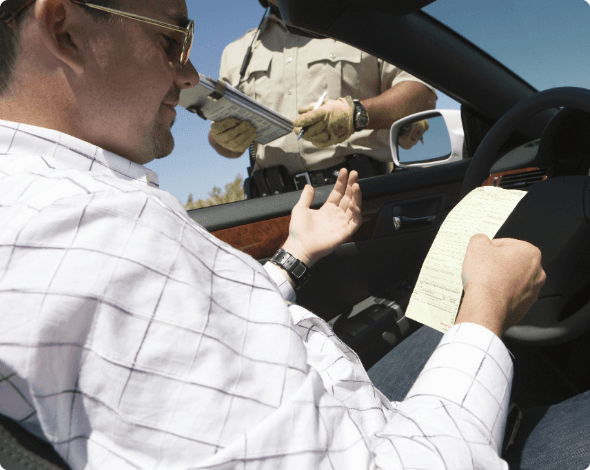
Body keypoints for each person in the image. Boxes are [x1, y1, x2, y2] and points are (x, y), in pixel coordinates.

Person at [0, 1, 587, 470]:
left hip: (344, 201)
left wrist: (295, 251)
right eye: (171, 41)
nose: (184, 76)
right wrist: (485, 311)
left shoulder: (66, 209)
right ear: (65, 32)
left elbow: (420, 92)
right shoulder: (113, 238)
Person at [208, 0, 437, 197]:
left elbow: (421, 95)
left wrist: (355, 115)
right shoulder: (235, 53)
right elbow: (224, 143)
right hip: (273, 209)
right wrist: (223, 139)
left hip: (361, 196)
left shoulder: (365, 22)